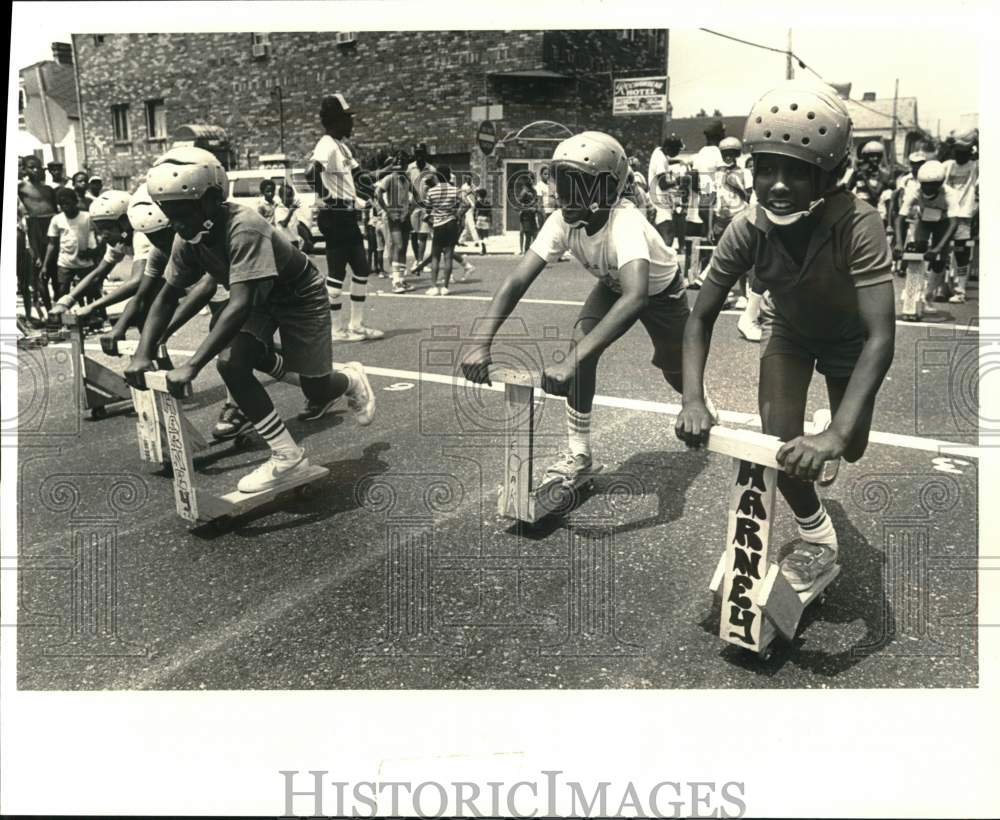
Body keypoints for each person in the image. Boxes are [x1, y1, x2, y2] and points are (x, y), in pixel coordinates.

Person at [676, 80, 896, 593]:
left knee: (851, 448)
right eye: (766, 167)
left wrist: (836, 436)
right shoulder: (745, 226)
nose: (777, 183)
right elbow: (700, 317)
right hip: (791, 333)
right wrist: (692, 399)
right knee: (780, 445)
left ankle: (830, 424)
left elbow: (881, 337)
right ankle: (819, 536)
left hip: (850, 342)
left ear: (830, 174)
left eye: (797, 171)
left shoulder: (859, 223)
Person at [126, 146, 377, 493]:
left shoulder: (244, 226)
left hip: (298, 295)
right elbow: (167, 295)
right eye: (169, 214)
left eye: (183, 212)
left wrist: (193, 365)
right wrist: (144, 349)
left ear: (213, 198)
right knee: (232, 363)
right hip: (260, 297)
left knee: (316, 388)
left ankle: (350, 380)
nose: (178, 224)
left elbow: (240, 304)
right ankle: (287, 454)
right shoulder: (187, 236)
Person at [462, 131, 699, 482]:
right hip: (612, 284)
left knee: (673, 368)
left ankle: (700, 402)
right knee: (581, 346)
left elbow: (636, 297)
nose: (564, 196)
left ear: (607, 190)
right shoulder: (562, 220)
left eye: (578, 186)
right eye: (562, 185)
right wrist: (481, 342)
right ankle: (579, 452)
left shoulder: (626, 220)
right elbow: (515, 282)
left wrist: (570, 363)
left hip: (661, 292)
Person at [308, 93, 384, 341]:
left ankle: (356, 325)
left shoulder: (342, 147)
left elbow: (360, 177)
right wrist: (329, 198)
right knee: (337, 273)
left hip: (347, 214)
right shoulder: (327, 144)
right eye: (347, 119)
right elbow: (311, 173)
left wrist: (384, 174)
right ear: (335, 121)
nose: (351, 124)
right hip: (335, 214)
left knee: (362, 268)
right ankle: (336, 329)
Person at [893, 160, 955, 322]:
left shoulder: (949, 193)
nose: (927, 188)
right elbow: (900, 217)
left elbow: (954, 223)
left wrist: (938, 248)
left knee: (939, 260)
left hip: (943, 223)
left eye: (932, 185)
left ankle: (928, 296)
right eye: (924, 185)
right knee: (916, 252)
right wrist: (899, 243)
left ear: (940, 183)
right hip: (925, 222)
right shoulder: (915, 190)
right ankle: (912, 294)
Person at [18, 155, 58, 317]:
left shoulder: (48, 189)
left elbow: (55, 210)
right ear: (25, 169)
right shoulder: (20, 187)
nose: (34, 170)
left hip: (51, 226)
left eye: (37, 167)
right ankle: (48, 310)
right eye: (31, 167)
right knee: (40, 270)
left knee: (57, 271)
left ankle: (59, 309)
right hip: (34, 229)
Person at [43, 186, 98, 302]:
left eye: (68, 203)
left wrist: (94, 252)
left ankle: (100, 316)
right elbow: (52, 244)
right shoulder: (57, 219)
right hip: (65, 262)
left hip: (85, 262)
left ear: (75, 202)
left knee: (92, 290)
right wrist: (45, 265)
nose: (65, 207)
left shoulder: (87, 217)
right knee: (62, 291)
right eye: (62, 204)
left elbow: (102, 235)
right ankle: (62, 317)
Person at [941, 137, 978, 303]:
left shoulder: (975, 166)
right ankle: (943, 287)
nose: (959, 155)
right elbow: (935, 164)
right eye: (956, 151)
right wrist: (947, 146)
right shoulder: (948, 165)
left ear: (970, 152)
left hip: (964, 214)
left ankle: (960, 290)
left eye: (962, 152)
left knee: (960, 252)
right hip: (947, 213)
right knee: (943, 249)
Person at [375, 151, 416, 293]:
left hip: (405, 217)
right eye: (398, 162)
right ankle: (396, 281)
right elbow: (378, 193)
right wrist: (387, 210)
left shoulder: (406, 180)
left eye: (403, 162)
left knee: (404, 247)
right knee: (398, 246)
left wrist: (409, 210)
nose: (400, 164)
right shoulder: (389, 178)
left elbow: (416, 195)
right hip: (394, 217)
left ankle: (402, 279)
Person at [424, 164, 467, 295]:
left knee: (436, 256)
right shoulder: (455, 190)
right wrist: (457, 214)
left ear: (437, 176)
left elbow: (427, 209)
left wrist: (432, 216)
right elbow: (467, 204)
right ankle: (445, 287)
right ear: (449, 176)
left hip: (438, 225)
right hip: (451, 223)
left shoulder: (431, 191)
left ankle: (433, 286)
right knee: (448, 256)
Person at [647, 133, 689, 251]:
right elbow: (663, 184)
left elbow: (666, 161)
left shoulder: (658, 152)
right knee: (668, 234)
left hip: (657, 198)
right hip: (660, 200)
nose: (677, 153)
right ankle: (665, 259)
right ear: (669, 149)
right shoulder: (661, 159)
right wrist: (678, 181)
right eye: (676, 150)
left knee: (660, 235)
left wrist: (678, 160)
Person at [274, 183, 302, 249]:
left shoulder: (291, 209)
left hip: (294, 241)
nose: (291, 198)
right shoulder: (279, 209)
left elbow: (297, 226)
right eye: (288, 196)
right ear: (281, 197)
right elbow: (284, 224)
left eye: (292, 196)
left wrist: (306, 239)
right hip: (284, 242)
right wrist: (291, 212)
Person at [517, 175, 540, 255]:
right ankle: (526, 252)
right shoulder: (523, 193)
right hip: (525, 217)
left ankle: (532, 252)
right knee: (527, 235)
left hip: (533, 217)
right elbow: (519, 207)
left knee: (534, 234)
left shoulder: (534, 192)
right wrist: (528, 209)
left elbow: (537, 203)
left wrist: (536, 209)